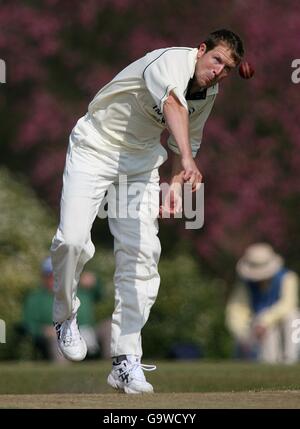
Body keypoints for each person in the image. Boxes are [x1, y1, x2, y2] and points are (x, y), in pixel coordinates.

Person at [50, 29, 245, 393]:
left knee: (141, 257)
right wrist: (186, 160)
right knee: (72, 241)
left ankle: (126, 359)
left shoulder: (208, 93)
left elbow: (185, 136)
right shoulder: (169, 61)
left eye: (228, 69)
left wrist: (173, 182)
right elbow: (172, 105)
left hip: (139, 165)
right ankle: (64, 315)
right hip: (94, 148)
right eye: (216, 60)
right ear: (201, 50)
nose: (219, 72)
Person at [226, 243, 300, 364]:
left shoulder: (288, 278)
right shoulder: (245, 285)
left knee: (293, 316)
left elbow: (288, 304)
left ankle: (290, 359)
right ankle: (270, 363)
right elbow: (237, 310)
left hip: (280, 322)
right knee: (268, 351)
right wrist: (243, 335)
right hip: (258, 327)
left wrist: (265, 321)